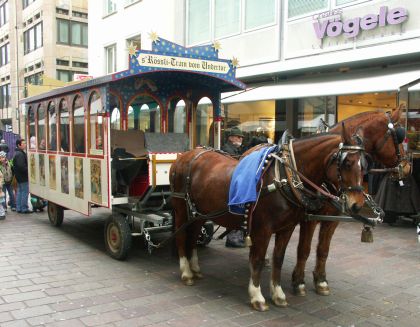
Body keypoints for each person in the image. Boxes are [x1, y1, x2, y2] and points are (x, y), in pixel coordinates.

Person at [222, 127, 246, 248]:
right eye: (238, 136)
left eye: (241, 137)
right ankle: (232, 238)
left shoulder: (237, 149)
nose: (240, 139)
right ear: (231, 138)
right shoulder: (227, 149)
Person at [13, 139, 32, 214]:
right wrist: (29, 170)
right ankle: (24, 208)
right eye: (23, 143)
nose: (25, 144)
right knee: (24, 192)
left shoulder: (17, 153)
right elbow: (21, 166)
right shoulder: (20, 154)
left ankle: (19, 208)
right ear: (19, 145)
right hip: (23, 176)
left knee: (20, 192)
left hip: (19, 176)